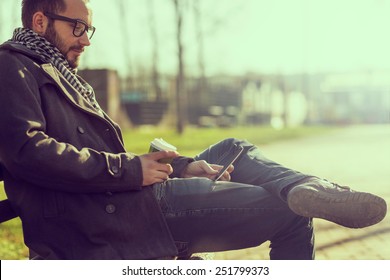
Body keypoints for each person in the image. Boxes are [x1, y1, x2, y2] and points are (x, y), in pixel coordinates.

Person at [0, 0, 386, 260]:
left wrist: (182, 166)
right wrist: (132, 170)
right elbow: (28, 151)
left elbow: (85, 151)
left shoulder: (55, 71)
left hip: (121, 199)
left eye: (89, 29)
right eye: (78, 27)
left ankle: (306, 187)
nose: (86, 39)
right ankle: (301, 191)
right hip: (111, 218)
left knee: (232, 146)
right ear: (40, 22)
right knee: (292, 216)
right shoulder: (13, 67)